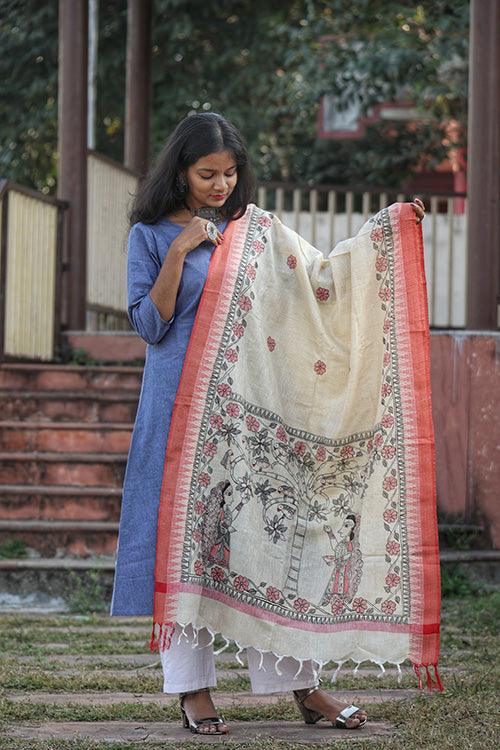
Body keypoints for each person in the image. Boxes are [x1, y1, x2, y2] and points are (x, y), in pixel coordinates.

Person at [111, 111, 426, 735]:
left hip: (249, 417)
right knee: (188, 549)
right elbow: (150, 326)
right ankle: (193, 691)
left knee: (266, 543)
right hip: (178, 415)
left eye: (229, 173)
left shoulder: (254, 235)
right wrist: (179, 250)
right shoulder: (148, 234)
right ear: (180, 172)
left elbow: (317, 282)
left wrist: (387, 231)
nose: (221, 185)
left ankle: (303, 689)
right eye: (207, 174)